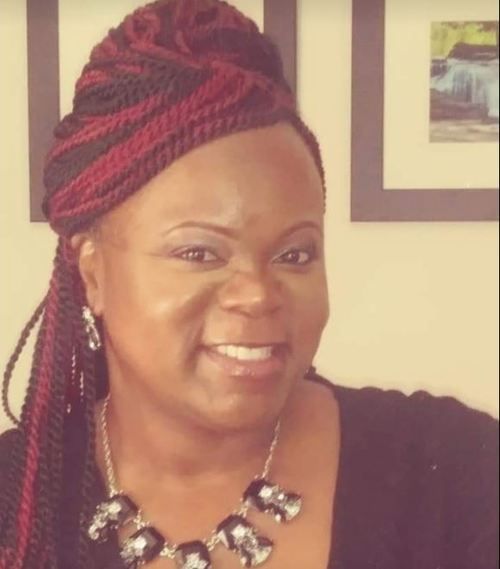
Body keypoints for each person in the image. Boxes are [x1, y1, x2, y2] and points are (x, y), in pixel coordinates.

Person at [0, 1, 497, 568]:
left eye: (294, 254)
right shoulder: (14, 503)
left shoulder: (455, 475)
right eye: (199, 252)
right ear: (92, 273)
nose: (258, 294)